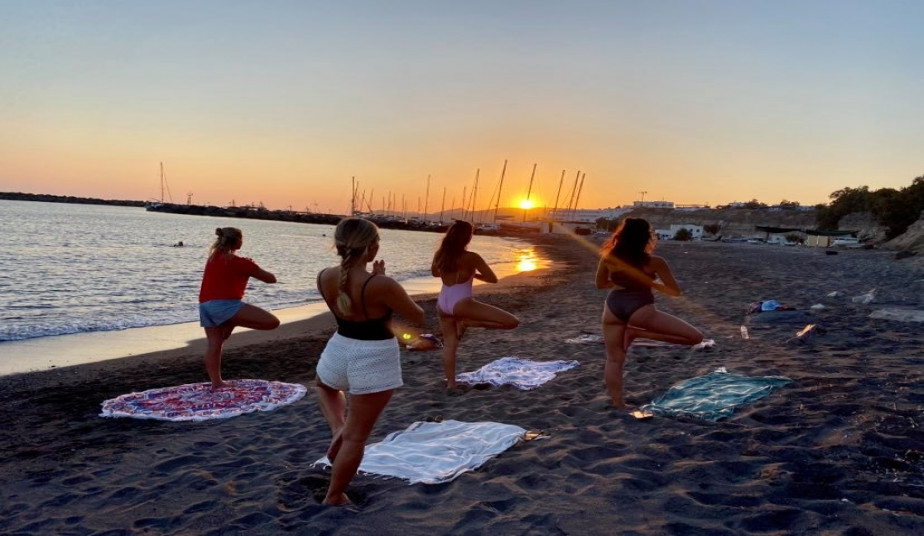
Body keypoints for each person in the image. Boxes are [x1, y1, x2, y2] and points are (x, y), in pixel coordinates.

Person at [315, 218, 424, 506]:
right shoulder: (382, 284)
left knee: (323, 385)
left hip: (339, 346)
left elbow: (345, 305)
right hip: (374, 354)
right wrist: (385, 284)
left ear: (338, 246)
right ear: (371, 249)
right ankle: (335, 495)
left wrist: (380, 284)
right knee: (356, 437)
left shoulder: (324, 275)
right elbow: (418, 316)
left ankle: (339, 428)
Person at [595, 218, 703, 409]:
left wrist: (622, 282)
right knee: (695, 337)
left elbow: (600, 284)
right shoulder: (655, 262)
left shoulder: (608, 257)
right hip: (641, 309)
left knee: (613, 359)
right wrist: (649, 282)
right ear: (646, 238)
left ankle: (619, 403)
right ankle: (637, 333)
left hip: (613, 307)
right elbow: (674, 291)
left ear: (620, 236)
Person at [431, 220, 519, 390]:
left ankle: (451, 384)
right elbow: (493, 279)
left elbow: (435, 273)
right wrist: (474, 274)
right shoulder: (472, 257)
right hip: (462, 303)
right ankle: (467, 322)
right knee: (512, 322)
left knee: (449, 344)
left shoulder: (440, 254)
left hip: (442, 303)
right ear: (468, 238)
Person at [198, 227, 280, 389]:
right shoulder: (242, 263)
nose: (242, 241)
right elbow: (271, 279)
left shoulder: (213, 258)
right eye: (241, 238)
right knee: (273, 322)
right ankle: (234, 322)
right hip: (225, 306)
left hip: (204, 306)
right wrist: (251, 266)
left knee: (214, 344)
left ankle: (217, 383)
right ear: (236, 241)